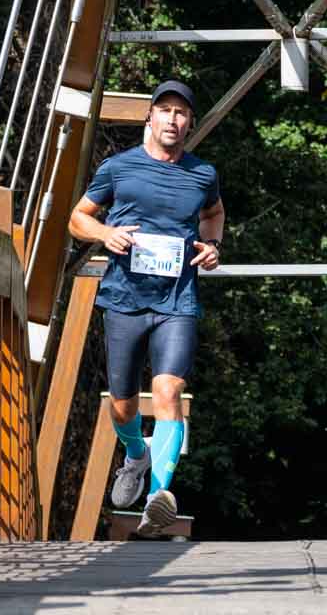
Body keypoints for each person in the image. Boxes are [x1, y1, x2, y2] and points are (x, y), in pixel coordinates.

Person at [67, 80, 225, 537]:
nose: (172, 119)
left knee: (169, 391)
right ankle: (136, 454)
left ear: (190, 123)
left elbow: (213, 214)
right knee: (122, 406)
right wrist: (105, 234)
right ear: (149, 117)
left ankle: (157, 498)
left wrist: (213, 245)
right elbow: (77, 218)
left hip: (177, 299)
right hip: (125, 299)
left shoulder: (203, 174)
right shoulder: (119, 168)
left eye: (181, 113)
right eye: (165, 110)